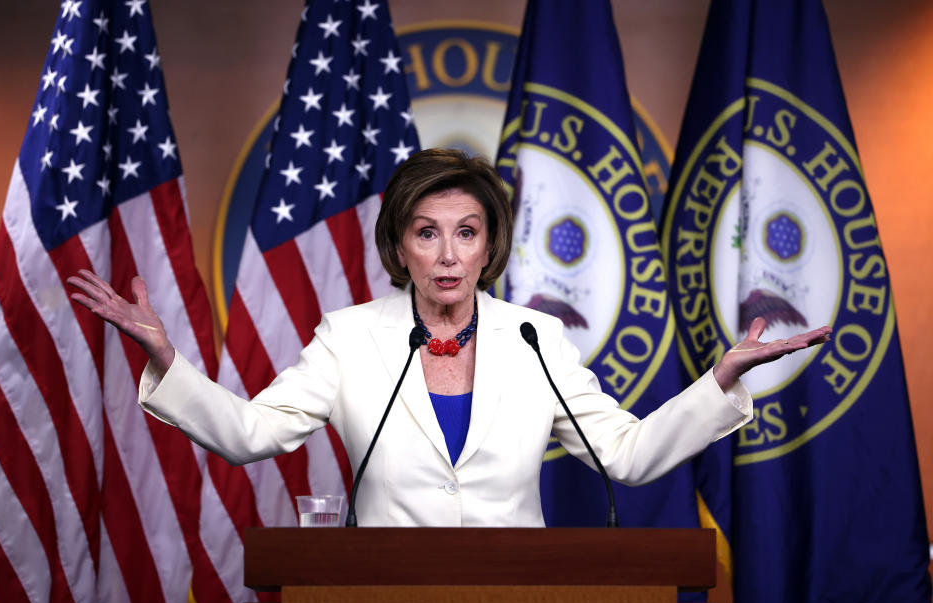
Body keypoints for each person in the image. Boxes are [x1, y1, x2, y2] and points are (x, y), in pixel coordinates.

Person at [67, 148, 831, 527]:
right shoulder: (350, 337)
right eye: (426, 233)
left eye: (467, 232)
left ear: (490, 245)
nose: (448, 253)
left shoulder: (536, 337)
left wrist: (722, 378)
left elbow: (627, 455)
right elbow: (249, 433)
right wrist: (167, 360)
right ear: (399, 247)